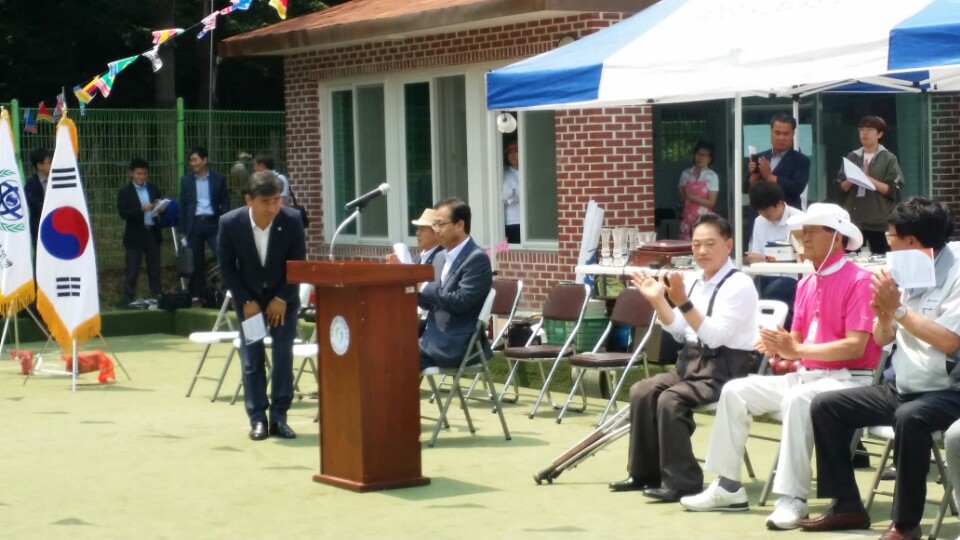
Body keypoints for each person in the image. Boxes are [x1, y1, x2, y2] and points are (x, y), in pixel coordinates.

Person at [679, 203, 881, 530]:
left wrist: (795, 348)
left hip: (850, 381)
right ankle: (727, 486)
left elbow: (855, 347)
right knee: (735, 390)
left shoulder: (860, 280)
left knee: (798, 400)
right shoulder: (807, 281)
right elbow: (796, 339)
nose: (804, 237)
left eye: (812, 231)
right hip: (808, 377)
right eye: (802, 231)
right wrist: (780, 344)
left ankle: (793, 497)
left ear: (838, 237)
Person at [798, 197, 960, 540]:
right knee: (826, 406)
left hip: (948, 391)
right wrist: (885, 317)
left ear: (911, 241)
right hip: (902, 387)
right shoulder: (901, 270)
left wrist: (898, 311)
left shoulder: (957, 273)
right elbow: (883, 337)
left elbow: (949, 341)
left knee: (909, 418)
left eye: (891, 237)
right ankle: (846, 506)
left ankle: (905, 525)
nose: (887, 244)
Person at [608, 213, 758, 501]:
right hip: (691, 364)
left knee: (670, 399)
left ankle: (683, 481)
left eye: (710, 244)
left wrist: (683, 302)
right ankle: (644, 473)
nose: (701, 251)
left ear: (728, 245)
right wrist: (658, 301)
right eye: (696, 244)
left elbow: (715, 337)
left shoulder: (739, 284)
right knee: (642, 390)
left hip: (727, 369)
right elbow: (679, 331)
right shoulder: (692, 280)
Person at [217, 171, 306, 441]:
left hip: (283, 304)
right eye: (265, 202)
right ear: (249, 200)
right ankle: (257, 419)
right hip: (250, 305)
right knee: (252, 360)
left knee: (282, 358)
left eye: (277, 201)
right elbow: (226, 267)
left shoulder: (292, 220)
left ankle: (279, 418)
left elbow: (298, 265)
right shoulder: (230, 223)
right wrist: (246, 300)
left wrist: (282, 299)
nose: (272, 208)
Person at [418, 198, 493, 371]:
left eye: (440, 224)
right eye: (434, 225)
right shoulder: (439, 257)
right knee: (386, 345)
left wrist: (423, 287)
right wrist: (410, 288)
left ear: (459, 225)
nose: (436, 230)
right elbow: (429, 302)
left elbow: (460, 302)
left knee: (399, 354)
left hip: (454, 343)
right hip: (430, 336)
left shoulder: (477, 259)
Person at [836, 115, 904, 255]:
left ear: (880, 134)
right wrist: (854, 178)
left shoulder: (888, 158)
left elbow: (893, 190)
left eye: (870, 129)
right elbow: (840, 188)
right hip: (854, 221)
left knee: (881, 258)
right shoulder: (852, 156)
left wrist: (867, 179)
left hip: (879, 222)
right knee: (851, 258)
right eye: (862, 129)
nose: (865, 133)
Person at [745, 181, 804, 329]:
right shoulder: (759, 221)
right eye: (760, 211)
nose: (764, 215)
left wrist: (766, 258)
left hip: (791, 276)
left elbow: (800, 255)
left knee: (773, 294)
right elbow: (755, 253)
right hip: (764, 275)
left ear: (779, 203)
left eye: (767, 210)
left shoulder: (799, 219)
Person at [178, 147, 230, 302]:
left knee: (222, 254)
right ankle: (199, 295)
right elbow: (183, 205)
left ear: (205, 160)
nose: (192, 163)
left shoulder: (218, 179)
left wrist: (225, 221)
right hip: (194, 224)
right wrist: (182, 230)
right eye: (190, 161)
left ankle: (227, 291)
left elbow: (225, 201)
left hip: (214, 223)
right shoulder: (186, 181)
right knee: (196, 261)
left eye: (195, 160)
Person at [116, 158, 164, 306]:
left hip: (152, 232)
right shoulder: (125, 192)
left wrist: (161, 208)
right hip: (135, 235)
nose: (141, 177)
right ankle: (128, 300)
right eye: (138, 174)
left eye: (144, 174)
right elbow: (123, 213)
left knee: (154, 269)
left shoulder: (153, 188)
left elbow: (160, 203)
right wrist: (140, 209)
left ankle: (157, 297)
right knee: (132, 269)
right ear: (131, 173)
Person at [748, 113, 810, 210]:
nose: (781, 138)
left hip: (788, 213)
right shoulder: (760, 157)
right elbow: (745, 189)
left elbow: (797, 188)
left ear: (793, 134)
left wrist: (770, 177)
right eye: (777, 133)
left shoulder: (801, 160)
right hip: (760, 213)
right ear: (771, 132)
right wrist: (754, 176)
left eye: (786, 134)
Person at [678, 141, 719, 240]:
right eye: (698, 154)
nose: (700, 158)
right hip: (687, 219)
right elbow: (682, 200)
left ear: (710, 159)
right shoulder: (685, 174)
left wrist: (692, 197)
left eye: (704, 155)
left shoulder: (712, 176)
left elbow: (711, 203)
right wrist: (682, 192)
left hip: (704, 221)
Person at [24, 148, 52, 249]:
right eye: (48, 163)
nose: (51, 165)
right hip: (39, 227)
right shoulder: (31, 185)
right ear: (39, 166)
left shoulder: (56, 181)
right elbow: (34, 206)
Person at [502, 142, 520, 244]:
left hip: (529, 222)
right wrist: (515, 192)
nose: (512, 155)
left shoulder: (528, 171)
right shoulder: (504, 173)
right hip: (511, 221)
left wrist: (514, 192)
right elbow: (504, 195)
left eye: (516, 151)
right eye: (509, 152)